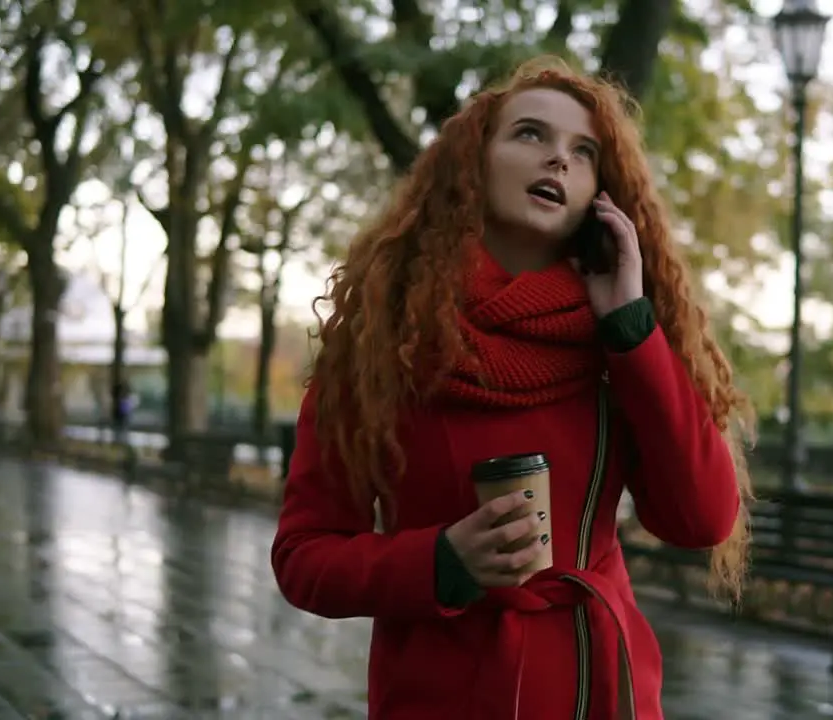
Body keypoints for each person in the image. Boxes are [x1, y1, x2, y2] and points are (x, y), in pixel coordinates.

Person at [271, 57, 755, 719]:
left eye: (583, 152)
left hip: (603, 692)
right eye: (531, 135)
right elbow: (304, 557)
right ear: (474, 162)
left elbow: (701, 520)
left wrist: (631, 327)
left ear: (600, 193)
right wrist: (439, 561)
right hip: (441, 697)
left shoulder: (620, 341)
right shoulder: (380, 346)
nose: (558, 160)